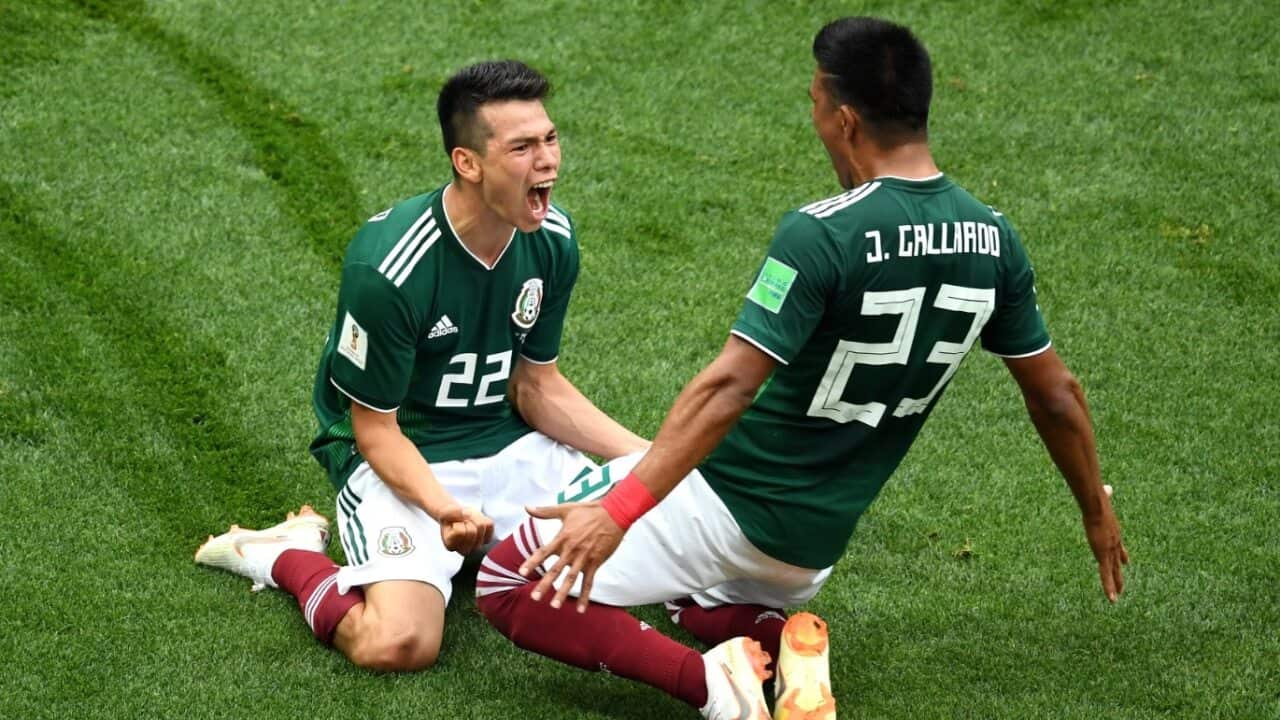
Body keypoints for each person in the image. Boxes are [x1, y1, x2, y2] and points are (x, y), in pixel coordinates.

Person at [475, 17, 1129, 720]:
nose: (813, 116)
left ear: (845, 118)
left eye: (815, 101)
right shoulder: (993, 237)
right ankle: (778, 637)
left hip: (726, 504)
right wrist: (1096, 511)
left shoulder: (824, 231)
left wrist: (619, 510)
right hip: (809, 553)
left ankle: (714, 690)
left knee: (510, 578)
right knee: (693, 600)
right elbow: (1057, 396)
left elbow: (729, 387)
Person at [194, 60, 648, 672]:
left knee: (658, 542)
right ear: (468, 162)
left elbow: (537, 386)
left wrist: (649, 461)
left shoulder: (553, 238)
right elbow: (373, 427)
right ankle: (289, 554)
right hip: (405, 458)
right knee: (397, 644)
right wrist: (444, 509)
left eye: (550, 138)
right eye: (522, 147)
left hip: (512, 449)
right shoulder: (389, 268)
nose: (547, 161)